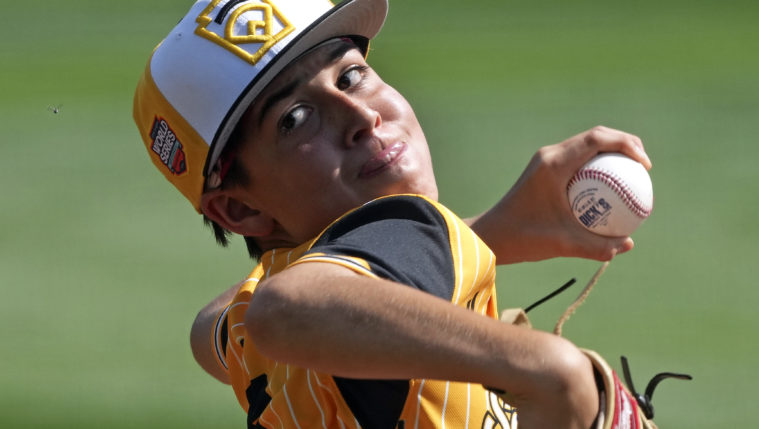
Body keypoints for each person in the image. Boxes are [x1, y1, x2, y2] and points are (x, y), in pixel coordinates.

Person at [133, 0, 652, 427]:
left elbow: (213, 330)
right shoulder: (405, 230)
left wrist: (483, 237)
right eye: (295, 118)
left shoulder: (256, 326)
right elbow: (284, 309)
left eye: (351, 75)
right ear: (240, 208)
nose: (362, 116)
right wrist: (553, 371)